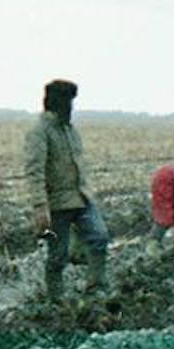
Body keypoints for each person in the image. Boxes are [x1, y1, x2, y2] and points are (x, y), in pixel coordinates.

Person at [23, 79, 110, 299]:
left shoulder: (70, 130)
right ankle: (56, 300)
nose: (72, 107)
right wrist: (40, 206)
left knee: (99, 237)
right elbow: (35, 171)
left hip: (81, 199)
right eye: (69, 102)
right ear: (58, 103)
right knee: (57, 256)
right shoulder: (39, 132)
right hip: (56, 204)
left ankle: (96, 288)